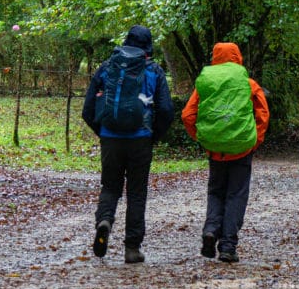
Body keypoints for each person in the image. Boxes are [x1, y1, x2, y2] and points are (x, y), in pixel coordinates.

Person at [82, 25, 174, 263]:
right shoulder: (153, 70)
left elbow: (87, 109)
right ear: (148, 46)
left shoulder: (107, 67)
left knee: (110, 187)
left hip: (110, 138)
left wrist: (102, 131)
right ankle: (132, 248)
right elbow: (165, 110)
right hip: (140, 140)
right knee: (136, 193)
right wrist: (154, 136)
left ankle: (104, 221)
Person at [182, 42, 269, 263]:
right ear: (238, 58)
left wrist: (203, 138)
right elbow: (263, 114)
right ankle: (228, 247)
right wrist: (254, 140)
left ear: (215, 57)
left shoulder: (206, 82)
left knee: (216, 192)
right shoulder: (247, 84)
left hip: (215, 149)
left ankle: (211, 229)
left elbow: (188, 115)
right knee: (236, 195)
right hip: (241, 150)